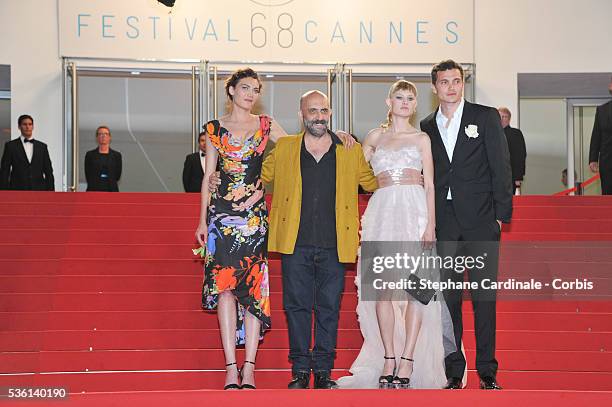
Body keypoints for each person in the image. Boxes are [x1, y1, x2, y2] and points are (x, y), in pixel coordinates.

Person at [195, 69, 355, 390]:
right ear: (230, 90)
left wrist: (335, 132)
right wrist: (202, 219)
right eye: (244, 88)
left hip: (254, 217)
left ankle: (250, 368)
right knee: (225, 289)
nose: (250, 94)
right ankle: (230, 367)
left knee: (254, 288)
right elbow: (208, 175)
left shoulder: (266, 124)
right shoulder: (214, 129)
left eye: (255, 89)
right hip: (222, 215)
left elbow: (300, 142)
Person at [337, 80, 457, 390]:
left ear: (415, 105)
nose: (404, 102)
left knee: (417, 289)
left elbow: (430, 184)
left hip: (414, 212)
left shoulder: (422, 139)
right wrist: (341, 142)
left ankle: (408, 358)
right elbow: (352, 170)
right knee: (383, 291)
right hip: (381, 213)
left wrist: (430, 224)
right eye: (399, 97)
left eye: (409, 98)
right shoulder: (375, 137)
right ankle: (388, 356)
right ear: (389, 102)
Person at [260, 90, 377, 389]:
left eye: (324, 110)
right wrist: (218, 175)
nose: (319, 116)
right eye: (312, 110)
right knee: (296, 306)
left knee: (329, 308)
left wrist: (410, 177)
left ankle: (323, 371)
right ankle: (300, 369)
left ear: (330, 114)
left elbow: (372, 181)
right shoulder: (285, 147)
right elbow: (257, 176)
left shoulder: (350, 149)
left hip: (336, 242)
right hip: (294, 241)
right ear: (301, 115)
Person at [420, 60, 512, 390]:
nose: (451, 87)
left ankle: (487, 371)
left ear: (463, 83)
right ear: (435, 87)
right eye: (444, 82)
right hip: (445, 224)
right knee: (449, 298)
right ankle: (454, 370)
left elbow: (501, 165)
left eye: (456, 81)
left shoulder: (484, 117)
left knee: (484, 297)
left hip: (481, 221)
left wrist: (501, 216)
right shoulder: (426, 125)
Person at [0, 114, 54, 190]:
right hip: (17, 190)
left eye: (30, 124)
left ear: (33, 126)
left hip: (39, 191)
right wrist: (3, 193)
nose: (27, 127)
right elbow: (5, 171)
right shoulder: (10, 146)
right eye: (24, 124)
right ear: (19, 127)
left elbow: (48, 171)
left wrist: (51, 193)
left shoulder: (42, 147)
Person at [588, 76, 612, 195]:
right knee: (607, 195)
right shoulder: (602, 110)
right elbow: (596, 135)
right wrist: (593, 159)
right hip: (607, 162)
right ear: (610, 87)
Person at [84, 126, 122, 192]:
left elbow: (117, 176)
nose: (103, 136)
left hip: (111, 190)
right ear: (97, 137)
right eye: (100, 134)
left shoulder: (117, 155)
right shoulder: (90, 155)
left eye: (106, 134)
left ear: (110, 137)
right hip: (93, 190)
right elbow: (88, 175)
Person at [498, 107, 526, 194]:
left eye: (504, 116)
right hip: (493, 175)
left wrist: (518, 176)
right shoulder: (491, 133)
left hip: (510, 175)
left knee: (508, 201)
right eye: (500, 116)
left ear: (509, 119)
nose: (502, 119)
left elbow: (520, 155)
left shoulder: (516, 134)